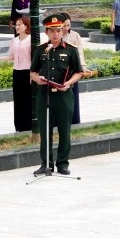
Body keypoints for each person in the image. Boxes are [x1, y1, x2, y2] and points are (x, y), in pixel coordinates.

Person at [30, 15, 84, 176]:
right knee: (45, 130)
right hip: (44, 95)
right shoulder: (40, 50)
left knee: (64, 130)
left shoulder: (70, 50)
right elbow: (32, 72)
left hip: (63, 95)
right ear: (46, 31)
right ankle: (46, 163)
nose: (56, 34)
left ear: (63, 31)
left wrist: (68, 83)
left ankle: (63, 163)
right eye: (52, 31)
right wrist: (37, 79)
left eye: (59, 30)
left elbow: (79, 72)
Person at [0, 17, 32, 134]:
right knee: (18, 100)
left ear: (26, 26)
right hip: (17, 72)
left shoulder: (31, 40)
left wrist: (33, 74)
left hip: (28, 73)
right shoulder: (14, 41)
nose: (17, 27)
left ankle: (29, 125)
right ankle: (19, 126)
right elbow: (11, 57)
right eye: (16, 25)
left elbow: (34, 59)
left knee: (28, 100)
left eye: (20, 24)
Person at [61, 12, 89, 125]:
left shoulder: (75, 35)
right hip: (59, 71)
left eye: (68, 25)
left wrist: (83, 67)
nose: (66, 28)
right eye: (64, 26)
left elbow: (80, 53)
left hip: (72, 71)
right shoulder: (55, 35)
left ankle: (74, 121)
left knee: (73, 97)